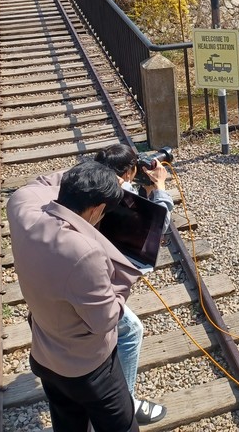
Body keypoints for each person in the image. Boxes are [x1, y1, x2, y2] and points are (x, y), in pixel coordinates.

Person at [8, 161, 141, 431]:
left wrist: (100, 175)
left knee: (67, 422)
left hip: (45, 354)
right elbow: (105, 321)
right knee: (122, 426)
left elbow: (46, 182)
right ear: (96, 210)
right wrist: (127, 276)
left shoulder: (21, 206)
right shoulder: (85, 253)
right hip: (88, 369)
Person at [93, 145, 173, 426]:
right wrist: (160, 186)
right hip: (99, 277)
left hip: (88, 263)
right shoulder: (120, 194)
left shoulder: (89, 185)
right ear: (128, 172)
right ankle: (124, 403)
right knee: (131, 331)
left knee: (106, 333)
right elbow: (157, 224)